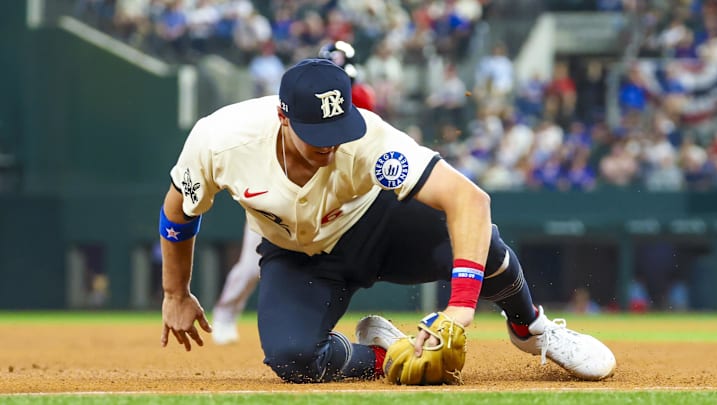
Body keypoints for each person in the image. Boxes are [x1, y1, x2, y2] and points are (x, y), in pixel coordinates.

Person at [159, 58, 616, 383]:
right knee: (292, 360)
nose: (330, 146)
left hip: (378, 223)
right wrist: (175, 293)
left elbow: (470, 200)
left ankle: (531, 327)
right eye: (317, 135)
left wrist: (460, 306)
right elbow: (178, 210)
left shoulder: (367, 137)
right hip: (299, 255)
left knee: (481, 241)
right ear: (283, 116)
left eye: (338, 132)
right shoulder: (220, 140)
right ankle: (386, 353)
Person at [210, 40, 376, 345]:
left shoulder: (362, 99)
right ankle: (224, 314)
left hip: (327, 198)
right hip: (275, 194)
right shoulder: (296, 100)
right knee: (249, 266)